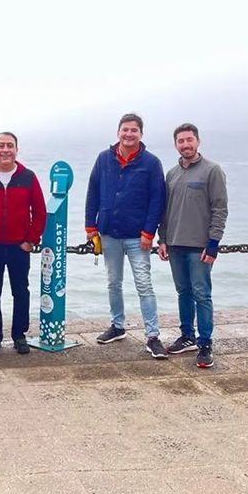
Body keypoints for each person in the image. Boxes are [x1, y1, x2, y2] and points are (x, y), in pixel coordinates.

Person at [85, 113, 167, 358]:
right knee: (113, 282)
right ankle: (117, 326)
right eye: (125, 130)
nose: (129, 134)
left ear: (141, 134)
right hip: (109, 232)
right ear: (118, 132)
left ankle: (152, 336)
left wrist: (149, 232)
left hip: (137, 236)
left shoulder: (151, 163)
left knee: (144, 284)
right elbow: (93, 191)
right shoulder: (104, 159)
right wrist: (91, 226)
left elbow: (157, 200)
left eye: (134, 130)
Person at [158, 123, 228, 368]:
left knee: (202, 294)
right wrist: (162, 239)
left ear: (198, 141)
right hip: (175, 244)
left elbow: (220, 209)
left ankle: (205, 342)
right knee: (183, 293)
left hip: (199, 247)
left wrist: (213, 244)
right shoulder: (171, 174)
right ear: (176, 144)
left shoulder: (212, 171)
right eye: (181, 141)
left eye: (189, 140)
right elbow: (164, 211)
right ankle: (187, 335)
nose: (185, 144)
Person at [0, 132, 46, 355]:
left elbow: (40, 211)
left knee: (21, 291)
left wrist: (31, 240)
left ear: (17, 149)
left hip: (18, 247)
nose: (5, 150)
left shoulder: (28, 177)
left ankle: (19, 335)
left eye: (10, 146)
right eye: (1, 146)